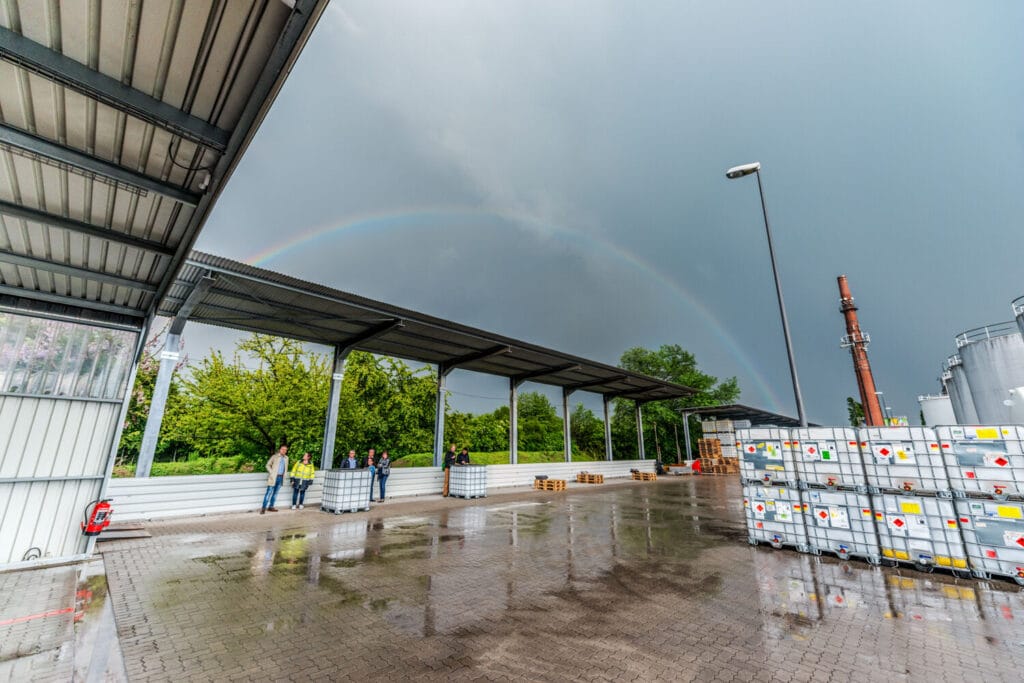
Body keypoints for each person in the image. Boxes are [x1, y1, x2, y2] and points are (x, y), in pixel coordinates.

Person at [261, 445, 288, 514]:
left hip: (280, 478)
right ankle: (263, 508)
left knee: (275, 493)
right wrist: (272, 472)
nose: (284, 451)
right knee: (268, 493)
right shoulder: (274, 456)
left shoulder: (286, 458)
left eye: (285, 450)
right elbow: (267, 465)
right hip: (273, 478)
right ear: (280, 450)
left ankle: (271, 507)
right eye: (283, 449)